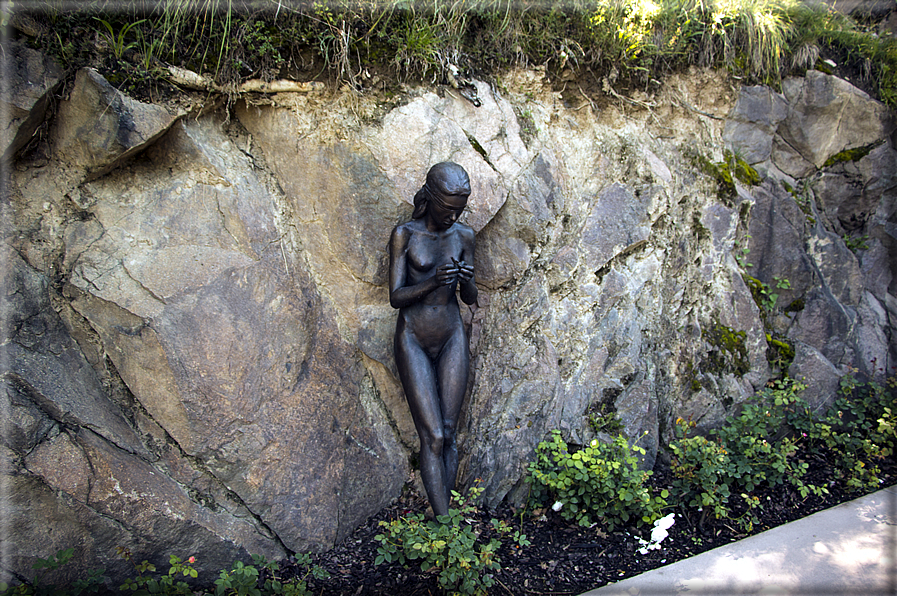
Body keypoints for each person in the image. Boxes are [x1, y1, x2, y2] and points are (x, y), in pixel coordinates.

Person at [389, 162, 477, 517]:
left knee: (450, 431)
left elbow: (469, 298)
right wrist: (432, 282)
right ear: (431, 199)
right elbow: (396, 296)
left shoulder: (464, 236)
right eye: (448, 209)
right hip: (413, 337)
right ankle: (445, 526)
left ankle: (446, 515)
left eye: (460, 210)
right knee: (433, 437)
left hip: (451, 333)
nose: (454, 217)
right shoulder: (405, 235)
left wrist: (466, 280)